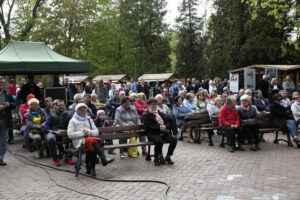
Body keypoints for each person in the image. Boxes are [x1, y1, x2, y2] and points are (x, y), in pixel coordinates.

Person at [67, 103, 114, 176]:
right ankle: (102, 159)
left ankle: (91, 169)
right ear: (77, 111)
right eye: (81, 111)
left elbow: (96, 131)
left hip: (90, 140)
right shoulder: (72, 121)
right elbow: (70, 135)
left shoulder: (89, 119)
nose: (83, 112)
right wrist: (83, 133)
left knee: (92, 145)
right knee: (94, 141)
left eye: (85, 111)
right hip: (80, 142)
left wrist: (88, 132)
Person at [143, 98, 177, 166]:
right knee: (159, 141)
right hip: (152, 133)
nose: (154, 106)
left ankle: (168, 156)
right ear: (149, 105)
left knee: (174, 140)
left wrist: (165, 127)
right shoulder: (146, 114)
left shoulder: (160, 113)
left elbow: (167, 123)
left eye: (155, 104)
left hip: (163, 132)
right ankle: (156, 158)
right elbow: (147, 127)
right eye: (152, 104)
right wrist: (159, 128)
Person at [44, 99, 74, 166]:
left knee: (75, 136)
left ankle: (68, 157)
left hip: (64, 132)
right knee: (51, 138)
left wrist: (66, 131)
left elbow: (71, 125)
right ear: (54, 106)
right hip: (53, 132)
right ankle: (55, 159)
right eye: (59, 105)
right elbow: (46, 127)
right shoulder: (51, 114)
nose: (61, 106)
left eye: (63, 105)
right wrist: (54, 131)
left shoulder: (67, 114)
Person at [0, 77, 15, 165]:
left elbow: (14, 104)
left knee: (3, 140)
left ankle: (1, 158)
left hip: (4, 120)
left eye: (3, 83)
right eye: (0, 82)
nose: (2, 84)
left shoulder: (8, 93)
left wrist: (9, 104)